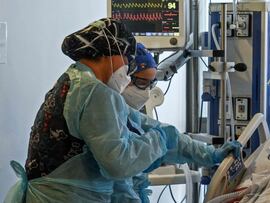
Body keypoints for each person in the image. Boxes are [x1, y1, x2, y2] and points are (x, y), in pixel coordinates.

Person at [4, 18, 241, 203]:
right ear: (111, 53)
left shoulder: (74, 81)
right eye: (126, 61)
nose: (126, 69)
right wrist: (157, 141)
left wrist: (209, 154)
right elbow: (119, 164)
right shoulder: (93, 92)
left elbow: (153, 128)